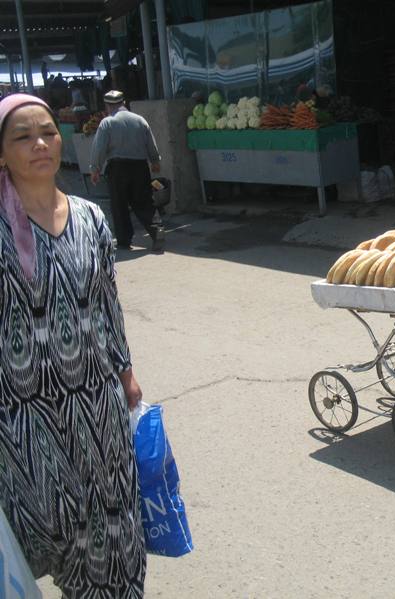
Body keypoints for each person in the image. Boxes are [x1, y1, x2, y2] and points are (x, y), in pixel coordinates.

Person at [0, 93, 146, 596]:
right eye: (22, 137)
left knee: (116, 537)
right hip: (23, 419)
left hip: (99, 406)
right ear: (2, 154)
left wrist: (125, 371)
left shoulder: (90, 217)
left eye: (48, 132)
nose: (40, 144)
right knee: (48, 539)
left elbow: (108, 303)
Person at [89, 90, 164, 251]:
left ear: (108, 106)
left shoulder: (107, 122)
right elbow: (151, 142)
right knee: (144, 201)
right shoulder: (140, 120)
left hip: (118, 169)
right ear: (124, 103)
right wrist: (155, 161)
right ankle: (157, 229)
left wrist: (95, 169)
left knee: (119, 204)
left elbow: (99, 148)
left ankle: (124, 241)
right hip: (140, 167)